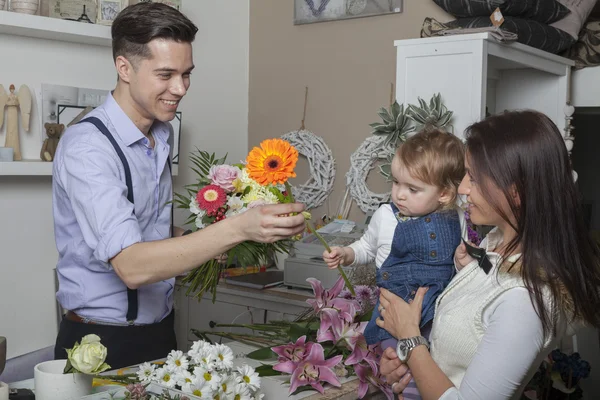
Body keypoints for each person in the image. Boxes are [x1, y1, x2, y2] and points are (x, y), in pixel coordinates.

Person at [52, 2, 306, 370]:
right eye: (166, 74)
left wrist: (225, 233)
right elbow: (132, 266)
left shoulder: (161, 133)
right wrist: (234, 228)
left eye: (187, 74)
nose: (181, 87)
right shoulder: (87, 147)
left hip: (160, 332)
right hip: (101, 342)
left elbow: (146, 228)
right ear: (124, 67)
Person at [377, 110, 600, 400]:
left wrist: (409, 336)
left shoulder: (527, 300)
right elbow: (460, 348)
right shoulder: (493, 244)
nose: (462, 188)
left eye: (474, 178)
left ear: (516, 191)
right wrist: (408, 361)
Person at [323, 128, 466, 398]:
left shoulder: (457, 218)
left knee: (434, 372)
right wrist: (346, 253)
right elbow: (366, 247)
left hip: (439, 315)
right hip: (393, 311)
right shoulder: (385, 216)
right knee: (401, 371)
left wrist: (462, 262)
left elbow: (463, 271)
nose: (400, 195)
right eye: (396, 183)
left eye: (413, 189)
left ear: (445, 194)